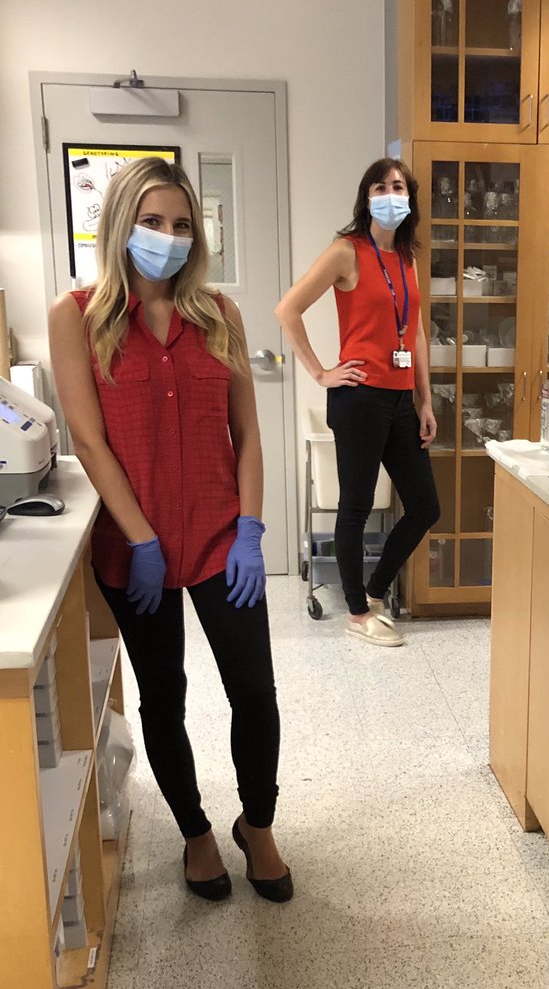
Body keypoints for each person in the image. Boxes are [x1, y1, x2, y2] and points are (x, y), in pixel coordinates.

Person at [50, 157, 292, 904]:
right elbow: (87, 441)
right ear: (121, 224)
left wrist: (251, 528)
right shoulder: (77, 317)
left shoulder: (220, 313)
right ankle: (194, 833)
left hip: (222, 537)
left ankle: (257, 824)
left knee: (255, 691)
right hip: (135, 546)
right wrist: (142, 538)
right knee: (165, 695)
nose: (168, 237)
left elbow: (248, 435)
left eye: (182, 225)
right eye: (152, 222)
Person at [275, 157, 440, 646]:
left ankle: (373, 591)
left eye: (399, 186)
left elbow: (418, 335)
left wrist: (425, 400)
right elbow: (288, 309)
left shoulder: (408, 257)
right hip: (359, 398)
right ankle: (356, 613)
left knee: (425, 508)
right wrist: (322, 372)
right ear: (365, 197)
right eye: (380, 186)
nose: (391, 193)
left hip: (401, 402)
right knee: (356, 507)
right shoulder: (346, 251)